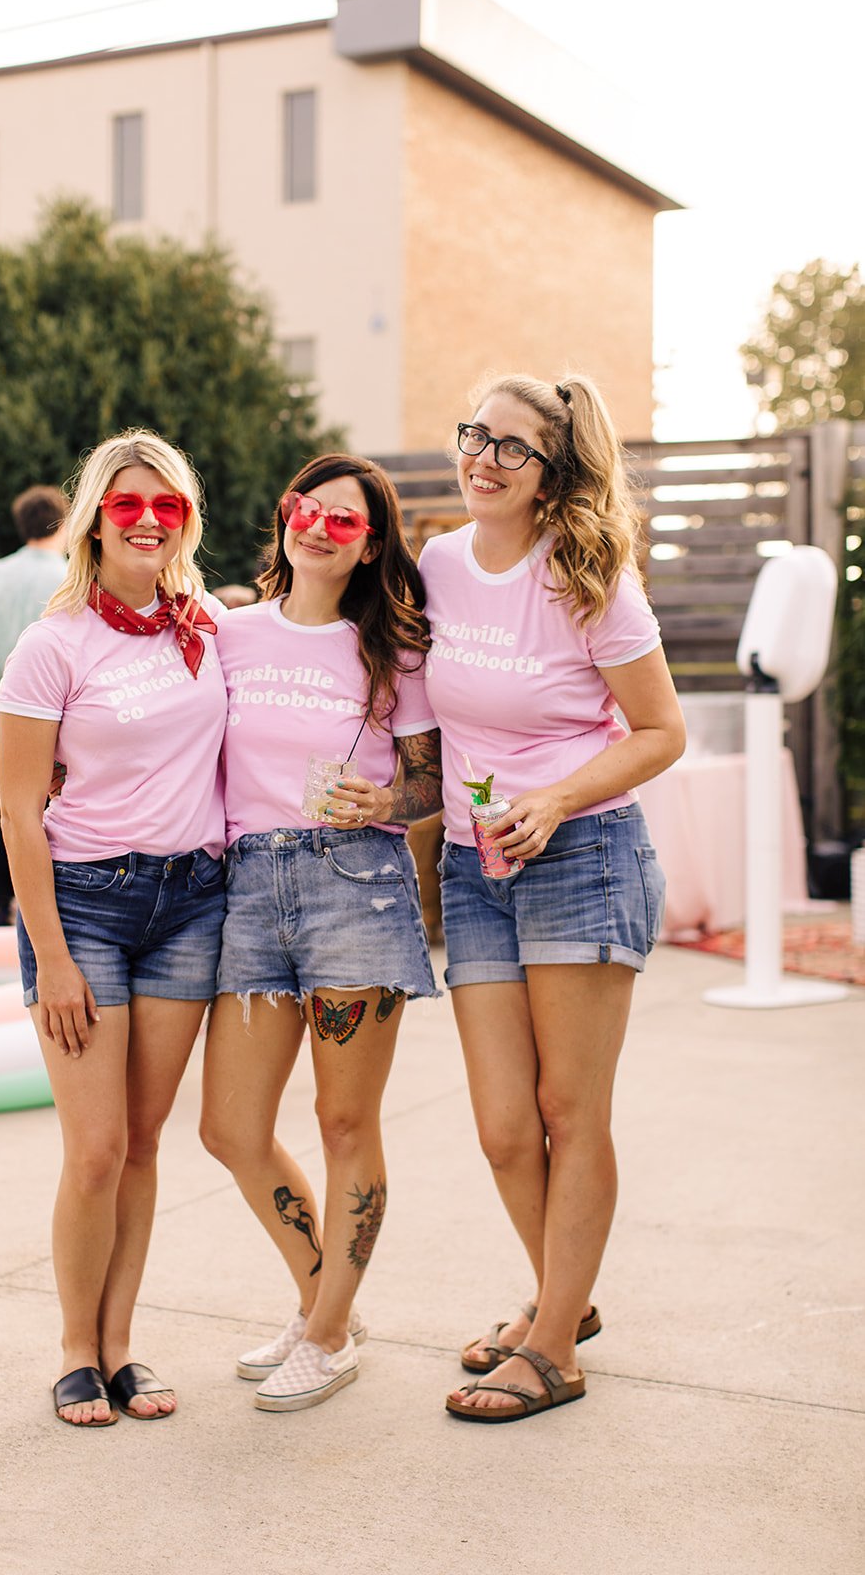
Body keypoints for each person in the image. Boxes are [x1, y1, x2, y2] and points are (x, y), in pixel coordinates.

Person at [419, 373, 685, 1424]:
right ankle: (560, 1308)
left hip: (582, 856)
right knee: (498, 1125)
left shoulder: (591, 580)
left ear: (551, 473)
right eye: (472, 433)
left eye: (511, 447)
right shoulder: (440, 563)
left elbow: (661, 731)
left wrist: (556, 795)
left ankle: (551, 1345)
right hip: (477, 872)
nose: (480, 457)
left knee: (568, 1113)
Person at [200, 453, 442, 1412]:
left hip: (357, 885)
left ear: (369, 544)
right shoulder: (228, 633)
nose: (318, 528)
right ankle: (323, 1300)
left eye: (344, 522)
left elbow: (424, 784)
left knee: (344, 1122)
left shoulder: (394, 650)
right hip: (250, 886)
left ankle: (330, 1329)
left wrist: (384, 797)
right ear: (286, 514)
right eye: (309, 508)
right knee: (229, 1127)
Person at [0, 429, 227, 1428]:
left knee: (141, 1141)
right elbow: (14, 809)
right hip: (83, 908)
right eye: (127, 503)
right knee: (92, 1147)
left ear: (184, 519)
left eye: (165, 506)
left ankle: (123, 1343)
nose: (146, 520)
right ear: (94, 518)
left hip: (189, 905)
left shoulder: (211, 625)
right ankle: (74, 1349)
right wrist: (50, 955)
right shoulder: (53, 643)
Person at [0, 485, 68, 925]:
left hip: (2, 711)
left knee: (7, 808)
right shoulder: (69, 574)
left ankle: (1, 899)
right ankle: (42, 902)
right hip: (62, 716)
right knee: (53, 808)